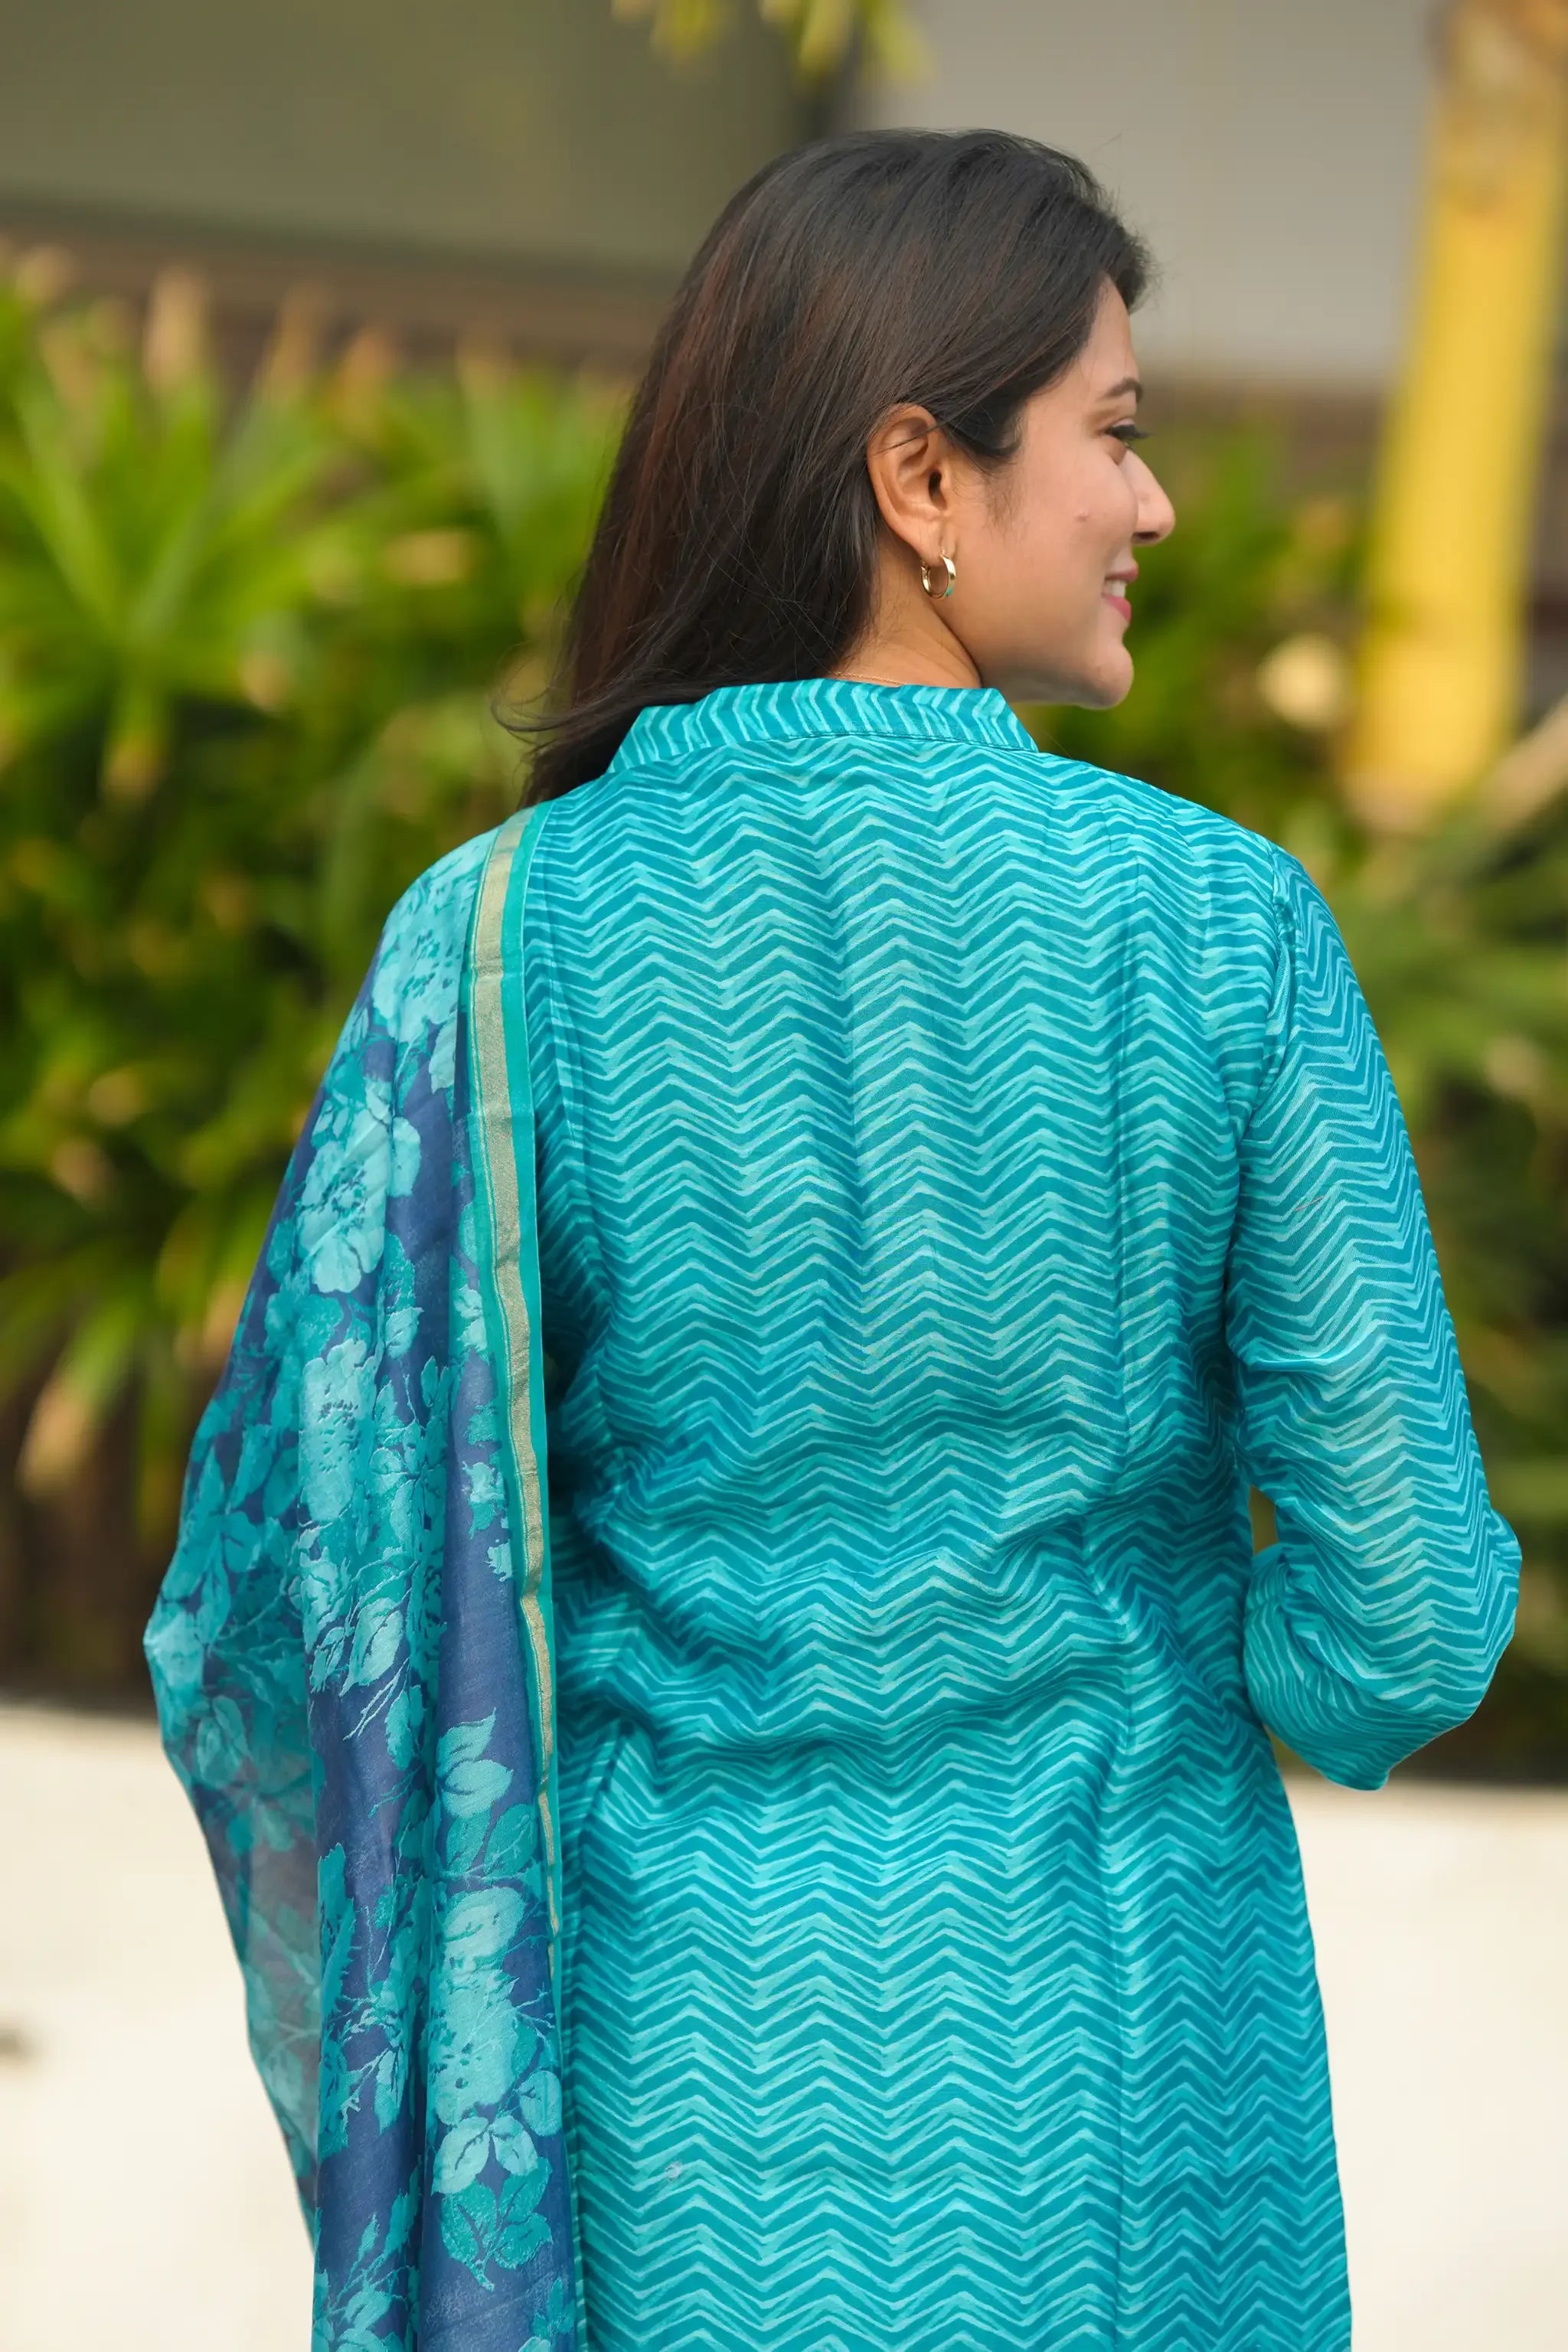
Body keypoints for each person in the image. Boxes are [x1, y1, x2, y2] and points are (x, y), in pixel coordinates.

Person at [146, 130, 1520, 2352]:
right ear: (919, 475)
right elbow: (1412, 1620)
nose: (1158, 504)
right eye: (1115, 435)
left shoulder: (494, 945)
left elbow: (286, 1598)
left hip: (666, 2119)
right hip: (1119, 2094)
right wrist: (1191, 1672)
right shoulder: (1216, 927)